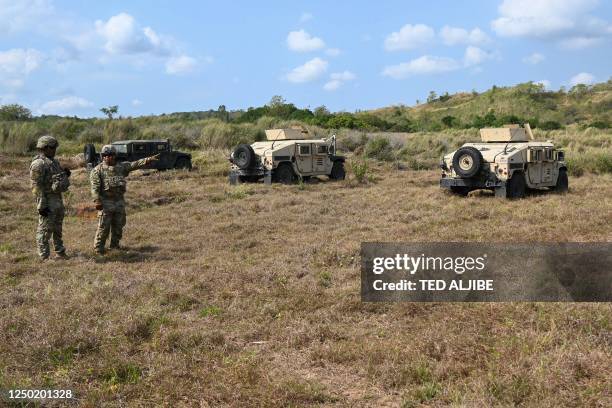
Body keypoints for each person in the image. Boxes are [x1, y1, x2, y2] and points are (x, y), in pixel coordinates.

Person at [90, 145, 159, 254]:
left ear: (115, 156)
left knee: (118, 226)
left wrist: (147, 160)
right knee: (103, 228)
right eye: (106, 155)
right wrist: (97, 201)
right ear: (102, 157)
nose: (108, 157)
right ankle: (99, 249)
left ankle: (115, 246)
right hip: (106, 204)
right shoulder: (97, 170)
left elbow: (134, 164)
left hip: (119, 203)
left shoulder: (121, 167)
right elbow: (95, 187)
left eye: (111, 155)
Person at [30, 135, 71, 260]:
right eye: (52, 147)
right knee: (44, 230)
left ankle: (60, 251)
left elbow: (56, 179)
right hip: (47, 201)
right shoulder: (38, 164)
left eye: (55, 147)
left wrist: (65, 174)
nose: (54, 150)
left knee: (57, 228)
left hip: (57, 200)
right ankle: (44, 256)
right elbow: (36, 187)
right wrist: (41, 205)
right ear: (44, 147)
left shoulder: (54, 162)